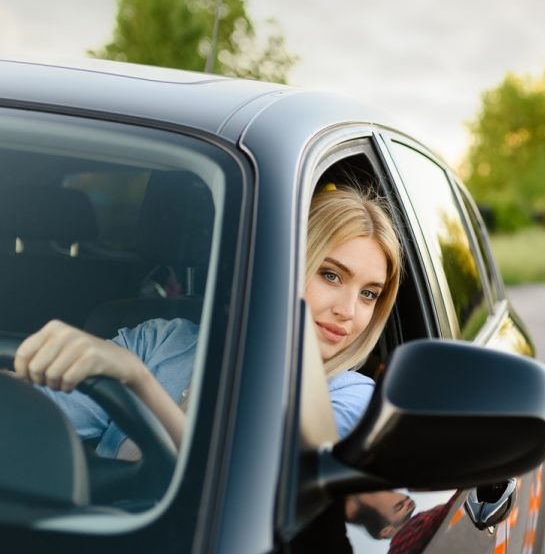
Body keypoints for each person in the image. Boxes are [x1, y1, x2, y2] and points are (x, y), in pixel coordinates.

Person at [13, 184, 402, 455]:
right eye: (331, 275)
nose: (349, 311)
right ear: (283, 267)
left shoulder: (352, 399)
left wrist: (138, 379)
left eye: (369, 294)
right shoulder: (164, 341)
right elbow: (28, 418)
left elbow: (252, 487)